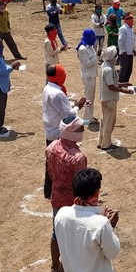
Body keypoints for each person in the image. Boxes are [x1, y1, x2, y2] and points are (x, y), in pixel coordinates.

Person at [46, 114, 88, 272]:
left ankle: (55, 266)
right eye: (79, 129)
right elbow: (81, 186)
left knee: (56, 234)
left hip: (56, 197)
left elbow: (48, 174)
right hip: (72, 201)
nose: (83, 130)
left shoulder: (51, 147)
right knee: (71, 240)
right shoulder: (78, 157)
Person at [43, 64, 87, 194]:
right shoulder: (57, 93)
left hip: (50, 128)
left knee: (50, 161)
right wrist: (78, 106)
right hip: (58, 130)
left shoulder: (48, 87)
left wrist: (71, 103)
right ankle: (61, 189)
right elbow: (68, 115)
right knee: (60, 162)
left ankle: (48, 189)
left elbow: (60, 107)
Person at [98, 47, 134, 151]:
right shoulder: (108, 69)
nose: (117, 57)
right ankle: (106, 144)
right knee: (109, 122)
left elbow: (112, 82)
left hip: (106, 97)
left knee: (104, 121)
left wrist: (123, 84)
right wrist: (124, 90)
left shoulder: (106, 66)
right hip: (110, 99)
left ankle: (101, 141)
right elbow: (111, 86)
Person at [0, 37, 21, 136]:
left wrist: (11, 67)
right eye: (0, 45)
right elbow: (1, 71)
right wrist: (12, 66)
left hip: (0, 85)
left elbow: (3, 67)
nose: (2, 46)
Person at [77, 29, 99, 123]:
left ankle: (90, 116)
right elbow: (87, 63)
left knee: (91, 97)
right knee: (88, 97)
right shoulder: (82, 49)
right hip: (88, 76)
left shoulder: (89, 46)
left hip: (92, 74)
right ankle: (86, 117)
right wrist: (96, 57)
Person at [117, 13, 135, 84]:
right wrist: (123, 51)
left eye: (132, 18)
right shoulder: (123, 28)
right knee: (124, 69)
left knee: (129, 69)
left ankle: (126, 82)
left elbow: (132, 40)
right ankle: (121, 83)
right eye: (129, 18)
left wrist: (134, 49)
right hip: (124, 53)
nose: (131, 20)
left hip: (130, 52)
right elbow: (120, 41)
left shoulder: (131, 29)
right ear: (125, 20)